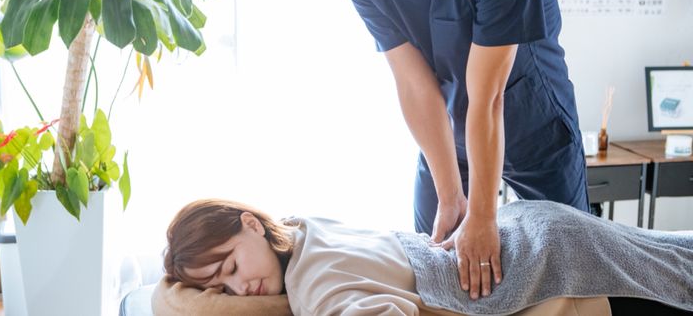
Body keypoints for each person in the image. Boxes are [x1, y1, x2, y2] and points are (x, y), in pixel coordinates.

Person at [278, 0, 589, 299]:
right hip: (450, 134)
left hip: (532, 123)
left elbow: (489, 98)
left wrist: (483, 215)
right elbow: (414, 86)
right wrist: (451, 194)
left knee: (574, 266)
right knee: (436, 268)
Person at [161, 197, 693, 316]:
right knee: (673, 254)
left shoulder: (315, 289)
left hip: (556, 268)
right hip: (533, 226)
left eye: (232, 266)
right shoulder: (303, 228)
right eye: (221, 290)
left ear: (252, 224)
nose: (240, 289)